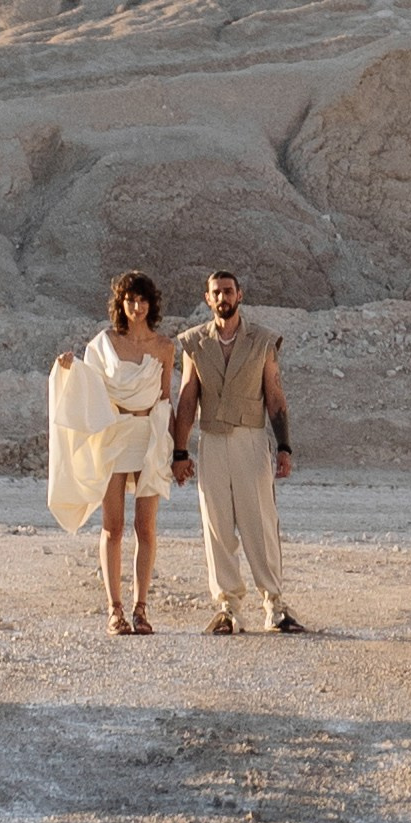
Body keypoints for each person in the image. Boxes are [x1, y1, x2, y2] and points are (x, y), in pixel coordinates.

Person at [171, 267, 305, 635]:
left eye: (228, 291)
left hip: (250, 439)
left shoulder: (263, 341)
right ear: (207, 298)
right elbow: (186, 400)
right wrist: (180, 452)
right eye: (216, 292)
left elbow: (275, 398)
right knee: (217, 526)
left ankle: (275, 605)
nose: (223, 298)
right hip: (212, 440)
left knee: (259, 523)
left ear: (240, 295)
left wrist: (284, 447)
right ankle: (227, 608)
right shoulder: (194, 342)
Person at [45, 270, 177, 633]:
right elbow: (89, 385)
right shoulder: (105, 342)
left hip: (149, 435)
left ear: (151, 304)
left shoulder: (165, 347)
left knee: (145, 527)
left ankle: (141, 609)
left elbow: (166, 397)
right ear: (121, 304)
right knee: (113, 526)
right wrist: (68, 369)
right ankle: (114, 609)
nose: (136, 306)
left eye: (142, 300)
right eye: (130, 300)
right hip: (116, 434)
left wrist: (177, 449)